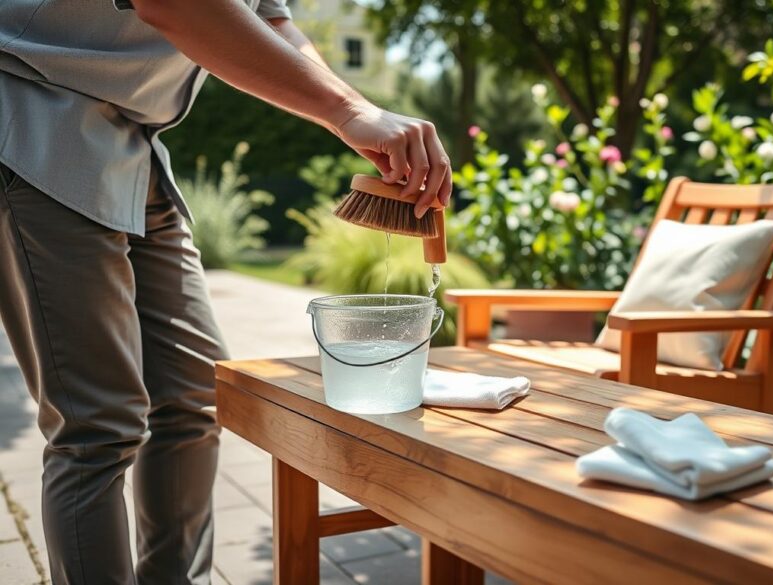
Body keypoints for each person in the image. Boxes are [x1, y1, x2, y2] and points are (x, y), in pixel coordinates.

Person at [0, 1, 451, 583]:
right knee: (96, 428)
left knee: (196, 396)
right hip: (36, 111)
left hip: (135, 141)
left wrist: (359, 114)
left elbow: (269, 20)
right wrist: (347, 111)